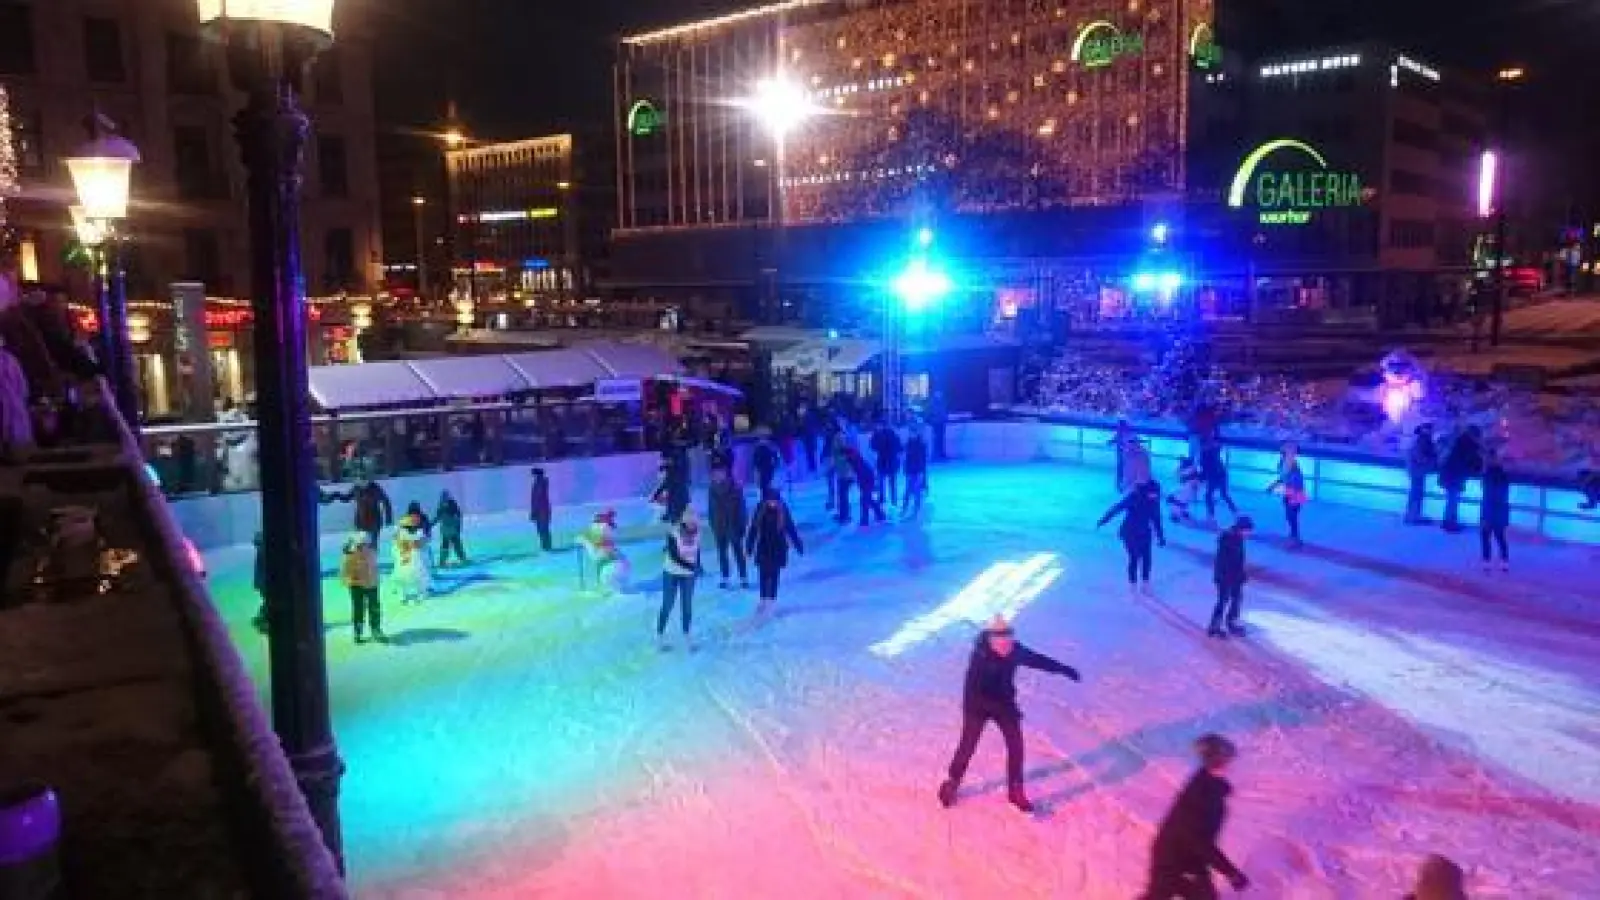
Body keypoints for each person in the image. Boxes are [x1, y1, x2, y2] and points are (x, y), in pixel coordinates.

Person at [937, 615, 1081, 814]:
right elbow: (978, 691)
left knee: (1016, 747)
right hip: (977, 705)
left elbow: (1037, 660)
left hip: (1004, 705)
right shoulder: (980, 657)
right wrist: (1006, 707)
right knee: (968, 745)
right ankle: (953, 781)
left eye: (1009, 643)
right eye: (1001, 645)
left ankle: (1015, 790)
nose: (1006, 648)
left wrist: (1063, 669)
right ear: (991, 642)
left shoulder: (1015, 650)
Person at [1140, 734, 1249, 900]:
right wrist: (1230, 871)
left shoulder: (1211, 784)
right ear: (1218, 761)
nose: (1233, 764)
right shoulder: (1198, 795)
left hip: (1191, 858)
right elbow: (1200, 842)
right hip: (1172, 859)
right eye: (1228, 758)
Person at [1098, 479, 1167, 592]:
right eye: (1154, 494)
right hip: (1129, 533)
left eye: (1156, 494)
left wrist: (1160, 536)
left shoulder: (1154, 502)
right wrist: (1104, 520)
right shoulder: (1134, 498)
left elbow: (1156, 520)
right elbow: (1116, 508)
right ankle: (1133, 584)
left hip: (1145, 533)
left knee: (1147, 559)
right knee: (1134, 558)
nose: (1155, 497)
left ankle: (1146, 582)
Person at [745, 487, 803, 617]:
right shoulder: (760, 509)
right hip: (764, 546)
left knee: (774, 575)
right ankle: (763, 600)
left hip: (778, 547)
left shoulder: (783, 510)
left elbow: (790, 527)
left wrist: (798, 544)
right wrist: (749, 546)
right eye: (770, 501)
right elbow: (753, 529)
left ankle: (771, 601)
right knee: (763, 574)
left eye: (775, 501)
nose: (773, 503)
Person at [657, 510, 703, 651]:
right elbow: (674, 556)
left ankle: (687, 636)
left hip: (688, 575)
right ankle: (660, 636)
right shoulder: (673, 533)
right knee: (668, 603)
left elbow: (697, 551)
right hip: (671, 572)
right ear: (683, 521)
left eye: (693, 522)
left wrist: (698, 566)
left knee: (687, 605)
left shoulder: (698, 533)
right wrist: (692, 567)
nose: (691, 524)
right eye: (688, 522)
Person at [1209, 517, 1255, 639]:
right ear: (1242, 529)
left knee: (1236, 599)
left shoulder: (1238, 538)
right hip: (1225, 577)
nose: (1249, 534)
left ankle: (1231, 622)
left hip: (1234, 576)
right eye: (1248, 531)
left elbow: (1239, 560)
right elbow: (1228, 562)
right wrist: (1237, 575)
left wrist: (1241, 574)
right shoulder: (1229, 539)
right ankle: (1215, 626)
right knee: (1223, 600)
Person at [707, 466, 750, 589]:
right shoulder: (711, 489)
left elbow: (742, 509)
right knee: (722, 553)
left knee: (738, 552)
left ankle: (743, 578)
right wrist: (713, 524)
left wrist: (742, 526)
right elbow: (711, 509)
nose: (716, 476)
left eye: (719, 473)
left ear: (725, 474)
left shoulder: (735, 488)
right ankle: (725, 578)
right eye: (714, 473)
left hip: (733, 526)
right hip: (719, 526)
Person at [340, 531, 383, 643]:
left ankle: (376, 629)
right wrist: (354, 581)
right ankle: (358, 631)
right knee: (358, 609)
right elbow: (345, 574)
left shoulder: (371, 552)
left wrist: (376, 579)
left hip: (372, 585)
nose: (365, 547)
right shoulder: (349, 557)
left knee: (374, 608)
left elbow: (374, 567)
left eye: (366, 544)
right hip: (357, 587)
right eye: (362, 545)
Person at [1438, 425, 1483, 533]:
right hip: (1454, 475)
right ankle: (1449, 523)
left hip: (1450, 474)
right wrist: (1477, 469)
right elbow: (1471, 461)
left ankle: (1448, 521)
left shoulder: (1459, 443)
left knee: (1452, 499)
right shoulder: (1468, 446)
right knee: (1453, 500)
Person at [1266, 442, 1307, 548]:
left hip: (1295, 493)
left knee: (1292, 515)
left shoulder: (1291, 463)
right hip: (1290, 492)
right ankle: (1294, 536)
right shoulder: (1284, 463)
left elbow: (1287, 477)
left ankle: (1295, 537)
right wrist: (1273, 485)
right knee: (1290, 516)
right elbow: (1283, 477)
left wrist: (1274, 486)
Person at [1479, 453, 1511, 572]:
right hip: (1500, 511)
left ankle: (1486, 561)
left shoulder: (1487, 477)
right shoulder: (1504, 477)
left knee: (1485, 536)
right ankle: (1504, 561)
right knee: (1500, 536)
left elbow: (1486, 494)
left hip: (1489, 511)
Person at [392, 511, 432, 604]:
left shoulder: (417, 534)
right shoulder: (407, 535)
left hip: (410, 561)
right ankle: (411, 593)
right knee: (411, 577)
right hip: (410, 562)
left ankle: (413, 593)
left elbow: (421, 544)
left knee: (413, 577)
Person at [1405, 424, 1438, 525]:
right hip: (1418, 471)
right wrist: (1431, 462)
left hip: (1416, 470)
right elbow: (1420, 458)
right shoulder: (1421, 442)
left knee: (1416, 493)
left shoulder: (1419, 440)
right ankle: (1413, 515)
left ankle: (1413, 514)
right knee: (1416, 493)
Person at [848, 447, 886, 526]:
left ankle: (865, 520)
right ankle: (880, 515)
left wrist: (861, 484)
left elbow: (861, 473)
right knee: (868, 499)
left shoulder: (855, 461)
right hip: (867, 480)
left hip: (867, 481)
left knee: (865, 500)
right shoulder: (856, 459)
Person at [1200, 441, 1237, 521]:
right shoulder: (1213, 450)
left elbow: (1205, 469)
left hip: (1215, 475)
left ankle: (1211, 515)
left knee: (1209, 495)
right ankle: (1235, 511)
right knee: (1223, 494)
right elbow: (1220, 446)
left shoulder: (1205, 454)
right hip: (1221, 474)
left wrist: (1202, 478)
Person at [870, 418, 903, 506]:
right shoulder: (893, 434)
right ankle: (893, 499)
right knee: (891, 481)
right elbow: (900, 447)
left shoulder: (878, 434)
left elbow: (873, 446)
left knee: (882, 480)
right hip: (891, 461)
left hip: (883, 461)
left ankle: (882, 498)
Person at [434, 490, 467, 568]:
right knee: (455, 544)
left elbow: (438, 518)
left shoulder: (442, 506)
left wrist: (431, 524)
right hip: (451, 529)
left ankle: (442, 562)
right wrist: (458, 527)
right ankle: (462, 559)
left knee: (447, 545)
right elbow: (459, 516)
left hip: (447, 529)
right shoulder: (451, 504)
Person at [902, 424, 929, 519]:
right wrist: (905, 469)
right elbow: (906, 458)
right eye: (910, 433)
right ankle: (904, 508)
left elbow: (922, 459)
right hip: (910, 470)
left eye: (913, 432)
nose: (911, 434)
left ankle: (916, 508)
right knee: (908, 490)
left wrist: (922, 472)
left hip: (917, 470)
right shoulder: (908, 443)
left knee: (916, 490)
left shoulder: (921, 444)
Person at [831, 428, 857, 525]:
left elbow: (842, 460)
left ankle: (844, 516)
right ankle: (843, 514)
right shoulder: (843, 449)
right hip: (844, 474)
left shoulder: (843, 451)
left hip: (845, 475)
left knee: (843, 495)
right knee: (842, 495)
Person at [1167, 457, 1203, 524]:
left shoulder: (1191, 469)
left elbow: (1197, 478)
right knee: (1182, 500)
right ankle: (1179, 513)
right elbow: (1179, 476)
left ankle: (1181, 512)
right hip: (1184, 488)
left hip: (1188, 488)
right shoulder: (1183, 470)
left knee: (1184, 500)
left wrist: (1196, 483)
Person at [529, 467, 554, 551]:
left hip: (542, 510)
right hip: (541, 510)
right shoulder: (538, 484)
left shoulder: (541, 484)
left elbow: (538, 498)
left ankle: (547, 546)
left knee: (543, 528)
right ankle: (545, 545)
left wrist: (534, 511)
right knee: (541, 529)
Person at [250, 531, 267, 633]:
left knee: (269, 600)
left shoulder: (262, 553)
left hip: (262, 583)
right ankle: (261, 620)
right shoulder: (262, 553)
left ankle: (262, 619)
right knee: (270, 601)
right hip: (263, 583)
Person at [927, 390, 949, 461]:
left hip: (941, 422)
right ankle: (936, 454)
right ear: (935, 394)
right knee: (937, 439)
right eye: (938, 393)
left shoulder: (942, 403)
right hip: (936, 423)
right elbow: (931, 413)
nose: (940, 395)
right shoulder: (933, 403)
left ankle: (941, 453)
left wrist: (945, 418)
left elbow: (943, 412)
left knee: (941, 438)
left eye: (940, 393)